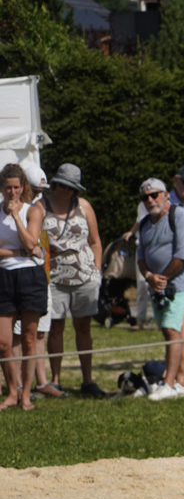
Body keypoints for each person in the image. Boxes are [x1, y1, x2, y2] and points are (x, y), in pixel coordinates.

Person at [25, 163, 105, 397]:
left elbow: (96, 241)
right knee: (55, 327)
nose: (66, 190)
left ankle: (87, 380)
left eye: (71, 187)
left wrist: (97, 271)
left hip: (85, 276)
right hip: (53, 277)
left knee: (83, 327)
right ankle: (56, 379)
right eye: (63, 185)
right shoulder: (41, 206)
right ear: (56, 184)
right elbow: (32, 240)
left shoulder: (85, 207)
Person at [135, 178, 184, 402]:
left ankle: (168, 384)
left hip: (177, 285)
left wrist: (163, 278)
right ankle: (181, 382)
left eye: (154, 195)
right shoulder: (144, 223)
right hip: (156, 287)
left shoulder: (179, 216)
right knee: (171, 332)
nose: (150, 200)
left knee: (170, 330)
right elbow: (141, 258)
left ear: (165, 194)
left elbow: (183, 254)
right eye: (145, 197)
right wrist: (150, 277)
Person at [0, 164, 48, 411]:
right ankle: (11, 392)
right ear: (1, 188)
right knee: (3, 342)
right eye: (7, 187)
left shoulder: (33, 211)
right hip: (4, 277)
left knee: (30, 339)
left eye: (16, 187)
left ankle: (26, 394)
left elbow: (31, 245)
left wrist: (16, 216)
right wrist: (15, 251)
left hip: (30, 276)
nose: (12, 192)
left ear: (23, 188)